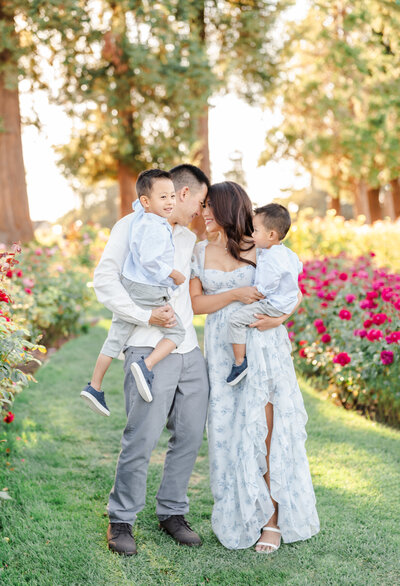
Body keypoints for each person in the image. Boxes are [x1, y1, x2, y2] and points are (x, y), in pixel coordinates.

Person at [190, 181, 320, 553]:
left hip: (262, 347)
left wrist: (280, 319)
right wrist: (233, 294)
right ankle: (244, 510)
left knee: (265, 430)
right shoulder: (199, 252)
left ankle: (272, 521)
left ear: (231, 209)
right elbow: (197, 305)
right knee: (229, 429)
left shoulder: (259, 245)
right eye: (203, 207)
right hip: (222, 349)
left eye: (211, 207)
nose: (204, 213)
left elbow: (292, 289)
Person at [93, 164, 210, 556]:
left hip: (189, 349)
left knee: (191, 434)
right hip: (146, 346)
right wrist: (145, 317)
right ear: (181, 193)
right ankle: (121, 520)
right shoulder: (130, 226)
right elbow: (105, 281)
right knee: (141, 437)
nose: (200, 209)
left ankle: (172, 512)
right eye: (199, 200)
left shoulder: (189, 237)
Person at [80, 169, 186, 413]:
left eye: (172, 196)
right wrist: (173, 274)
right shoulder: (156, 226)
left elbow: (138, 203)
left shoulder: (141, 216)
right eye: (164, 197)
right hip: (148, 289)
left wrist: (145, 201)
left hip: (131, 285)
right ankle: (146, 365)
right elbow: (150, 260)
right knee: (177, 333)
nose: (170, 202)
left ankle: (94, 386)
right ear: (147, 201)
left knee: (115, 337)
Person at [226, 203, 303, 386]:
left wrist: (258, 291)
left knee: (235, 320)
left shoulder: (271, 258)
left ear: (271, 235)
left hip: (272, 304)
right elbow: (298, 267)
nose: (252, 234)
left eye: (256, 231)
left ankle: (239, 363)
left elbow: (267, 285)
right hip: (285, 302)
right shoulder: (286, 253)